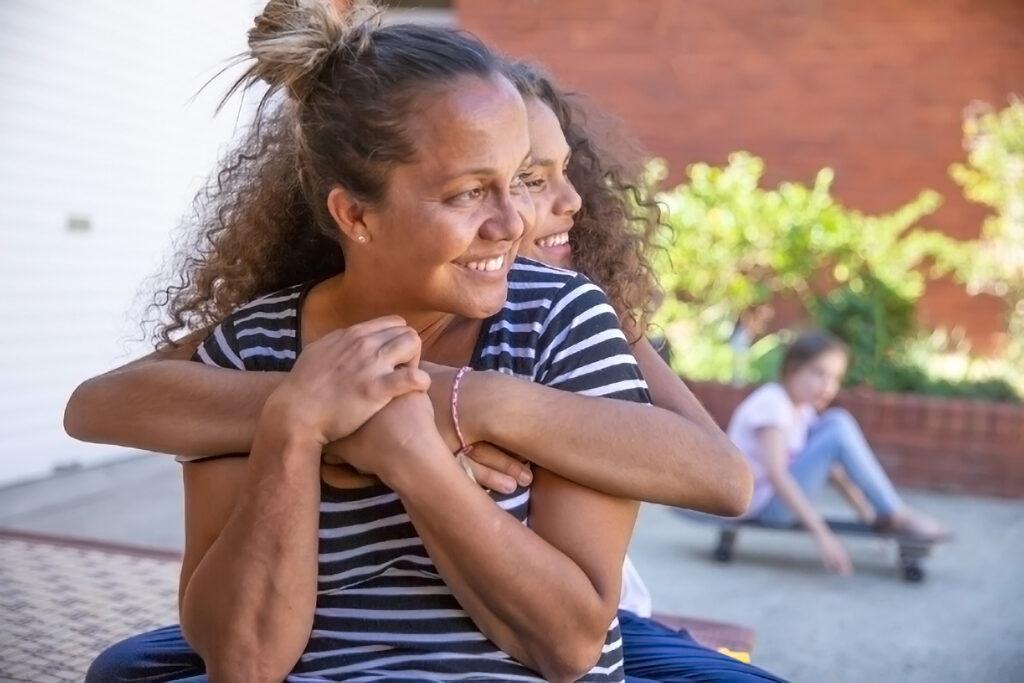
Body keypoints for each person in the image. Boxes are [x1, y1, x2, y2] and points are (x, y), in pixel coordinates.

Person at [66, 2, 744, 682]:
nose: (513, 222)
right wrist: (297, 425)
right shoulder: (254, 345)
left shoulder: (560, 324)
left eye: (518, 181)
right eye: (469, 193)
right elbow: (244, 662)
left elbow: (567, 647)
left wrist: (411, 442)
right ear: (355, 214)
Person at [728, 330, 952, 575]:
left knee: (836, 423)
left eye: (835, 378)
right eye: (818, 374)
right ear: (793, 370)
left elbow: (833, 468)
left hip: (773, 501)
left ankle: (892, 513)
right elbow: (776, 474)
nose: (828, 387)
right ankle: (898, 514)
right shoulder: (773, 404)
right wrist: (824, 537)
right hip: (761, 507)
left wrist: (868, 515)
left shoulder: (802, 411)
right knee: (838, 424)